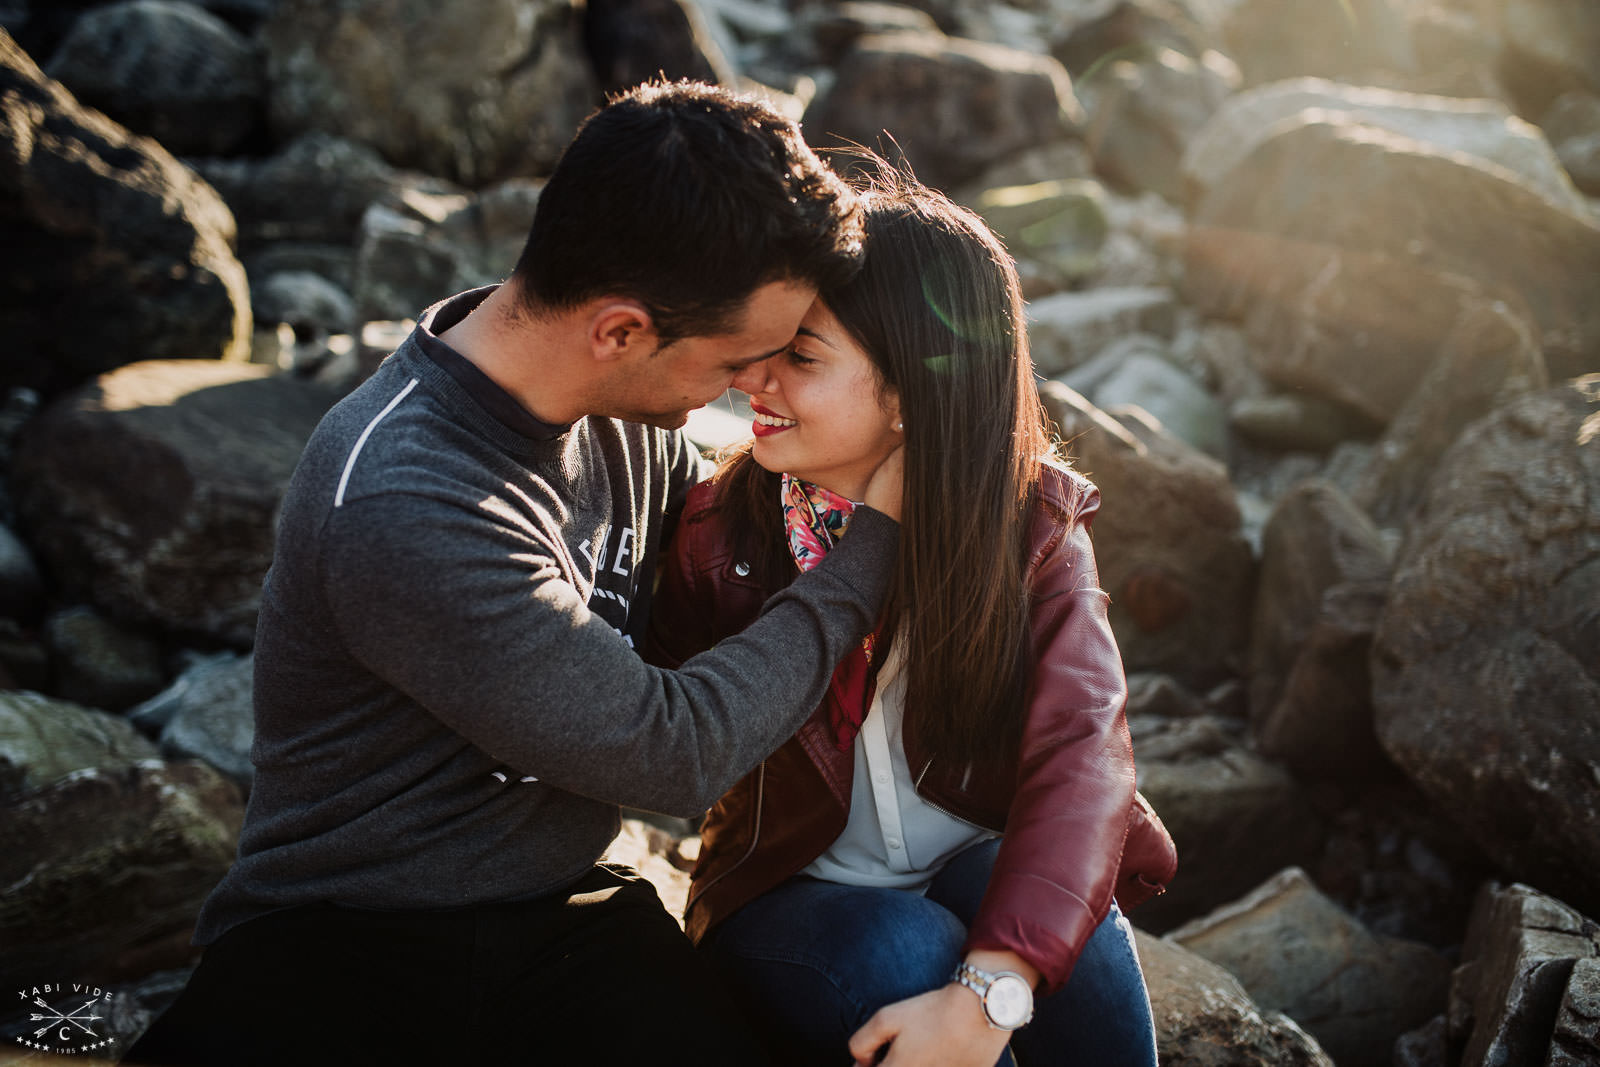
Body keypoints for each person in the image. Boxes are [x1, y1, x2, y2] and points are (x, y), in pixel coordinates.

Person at [125, 81, 906, 1066]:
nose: (751, 387)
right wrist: (876, 540)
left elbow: (736, 552)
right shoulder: (404, 498)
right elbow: (671, 749)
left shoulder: (624, 409)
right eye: (737, 361)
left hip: (568, 912)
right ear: (619, 330)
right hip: (345, 931)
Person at [645, 171, 1178, 1066]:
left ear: (909, 394)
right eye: (761, 346)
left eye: (800, 357)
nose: (752, 379)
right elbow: (648, 741)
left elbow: (1083, 757)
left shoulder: (1029, 529)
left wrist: (992, 991)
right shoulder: (718, 532)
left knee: (1047, 942)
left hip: (972, 856)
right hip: (790, 897)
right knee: (907, 950)